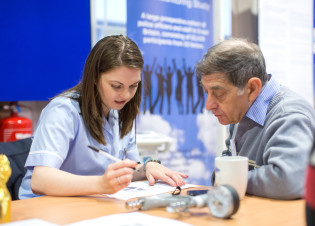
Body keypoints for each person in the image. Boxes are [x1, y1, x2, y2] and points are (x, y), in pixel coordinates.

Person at [19, 35, 188, 199]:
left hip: (90, 204)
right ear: (94, 78)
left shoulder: (119, 113)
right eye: (116, 86)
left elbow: (128, 172)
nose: (126, 95)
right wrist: (100, 184)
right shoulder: (62, 112)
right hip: (43, 208)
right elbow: (41, 180)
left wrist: (148, 167)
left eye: (133, 86)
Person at [195, 38, 315, 200]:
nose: (208, 105)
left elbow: (289, 180)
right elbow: (227, 163)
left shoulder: (288, 113)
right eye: (206, 92)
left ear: (252, 88)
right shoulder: (240, 110)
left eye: (219, 93)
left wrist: (227, 179)